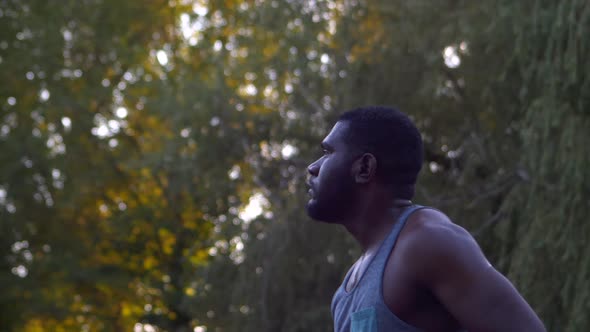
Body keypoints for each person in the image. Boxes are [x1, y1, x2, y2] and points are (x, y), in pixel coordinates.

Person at [305, 106, 546, 332]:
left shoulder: (427, 242)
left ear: (365, 168)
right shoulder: (346, 290)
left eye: (327, 152)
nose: (312, 167)